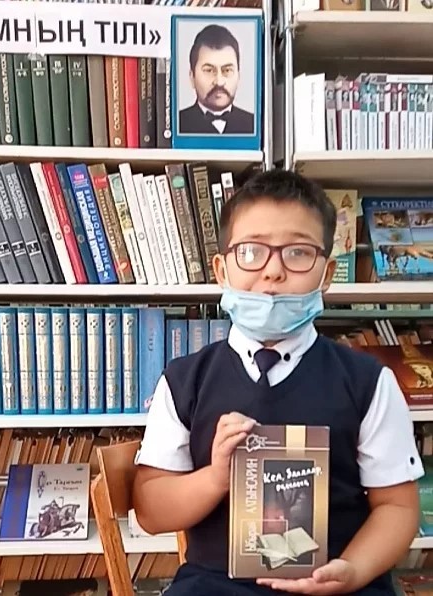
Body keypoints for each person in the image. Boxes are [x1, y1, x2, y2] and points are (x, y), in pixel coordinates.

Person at [132, 169, 423, 595]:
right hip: (216, 585)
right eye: (251, 252)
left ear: (326, 273)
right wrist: (215, 477)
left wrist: (353, 571)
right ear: (221, 270)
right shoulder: (184, 381)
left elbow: (397, 507)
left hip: (339, 581)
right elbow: (151, 512)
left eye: (298, 253)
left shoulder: (369, 382)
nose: (273, 272)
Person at [178, 24, 255, 136]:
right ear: (192, 77)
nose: (219, 82)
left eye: (227, 70)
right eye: (209, 70)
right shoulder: (176, 125)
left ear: (239, 76)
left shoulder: (255, 125)